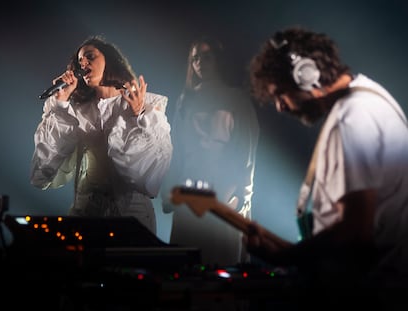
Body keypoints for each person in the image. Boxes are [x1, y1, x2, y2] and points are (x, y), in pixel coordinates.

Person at [244, 26, 408, 309]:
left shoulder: (352, 118)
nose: (281, 108)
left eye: (280, 95)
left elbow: (356, 230)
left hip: (370, 295)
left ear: (305, 75)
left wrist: (290, 257)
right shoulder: (369, 97)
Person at [30, 35, 173, 235]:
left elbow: (147, 177)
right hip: (87, 216)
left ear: (110, 60)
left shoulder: (145, 104)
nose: (83, 63)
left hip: (130, 219)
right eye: (79, 61)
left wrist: (138, 115)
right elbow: (43, 170)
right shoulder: (78, 111)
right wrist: (61, 103)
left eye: (90, 56)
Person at [160, 35, 260, 267]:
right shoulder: (186, 101)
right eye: (195, 58)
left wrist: (239, 195)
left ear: (219, 59)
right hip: (188, 191)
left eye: (207, 56)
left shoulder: (236, 100)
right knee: (189, 265)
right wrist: (170, 191)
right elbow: (176, 150)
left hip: (224, 194)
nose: (200, 62)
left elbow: (246, 151)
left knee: (221, 264)